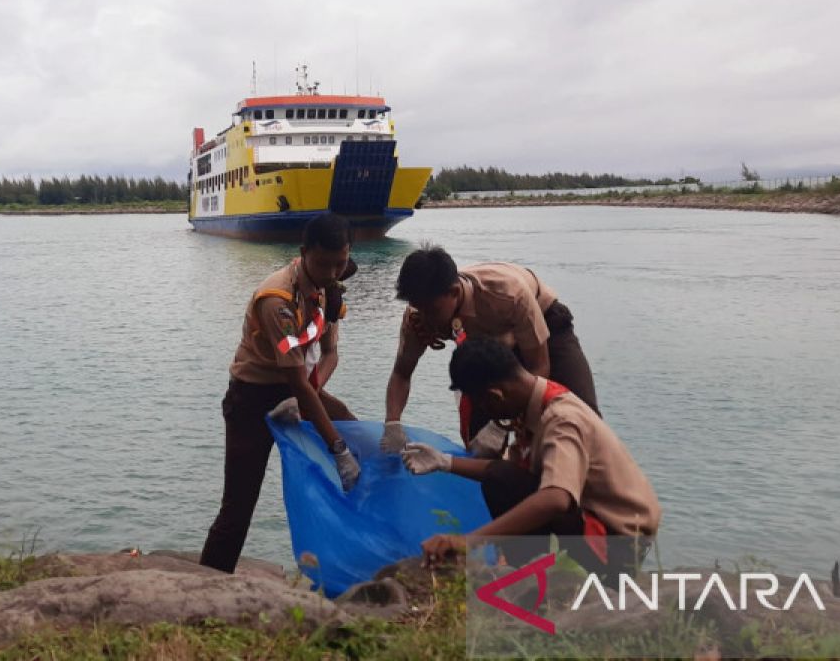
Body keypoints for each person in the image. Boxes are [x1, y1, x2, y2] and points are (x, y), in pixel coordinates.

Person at [404, 337, 659, 581]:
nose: (490, 415)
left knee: (505, 481)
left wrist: (467, 541)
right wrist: (445, 462)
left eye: (485, 407)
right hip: (588, 519)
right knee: (502, 477)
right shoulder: (532, 407)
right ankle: (525, 569)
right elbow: (511, 471)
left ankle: (548, 576)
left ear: (496, 396)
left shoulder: (562, 419)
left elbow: (556, 498)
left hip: (616, 540)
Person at [199, 213, 360, 574]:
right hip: (252, 399)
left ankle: (360, 556)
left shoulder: (329, 289)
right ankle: (208, 581)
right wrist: (337, 448)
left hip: (300, 387)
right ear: (304, 253)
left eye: (341, 263)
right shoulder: (278, 300)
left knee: (352, 428)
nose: (333, 272)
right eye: (324, 263)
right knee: (239, 506)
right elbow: (296, 379)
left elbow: (330, 354)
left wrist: (319, 397)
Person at [381, 245, 599, 457]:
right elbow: (402, 373)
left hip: (545, 329)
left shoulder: (508, 294)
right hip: (487, 353)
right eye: (419, 308)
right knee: (479, 445)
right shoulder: (418, 317)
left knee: (583, 417)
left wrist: (502, 426)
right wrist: (393, 424)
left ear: (455, 292)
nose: (426, 317)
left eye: (432, 310)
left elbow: (538, 366)